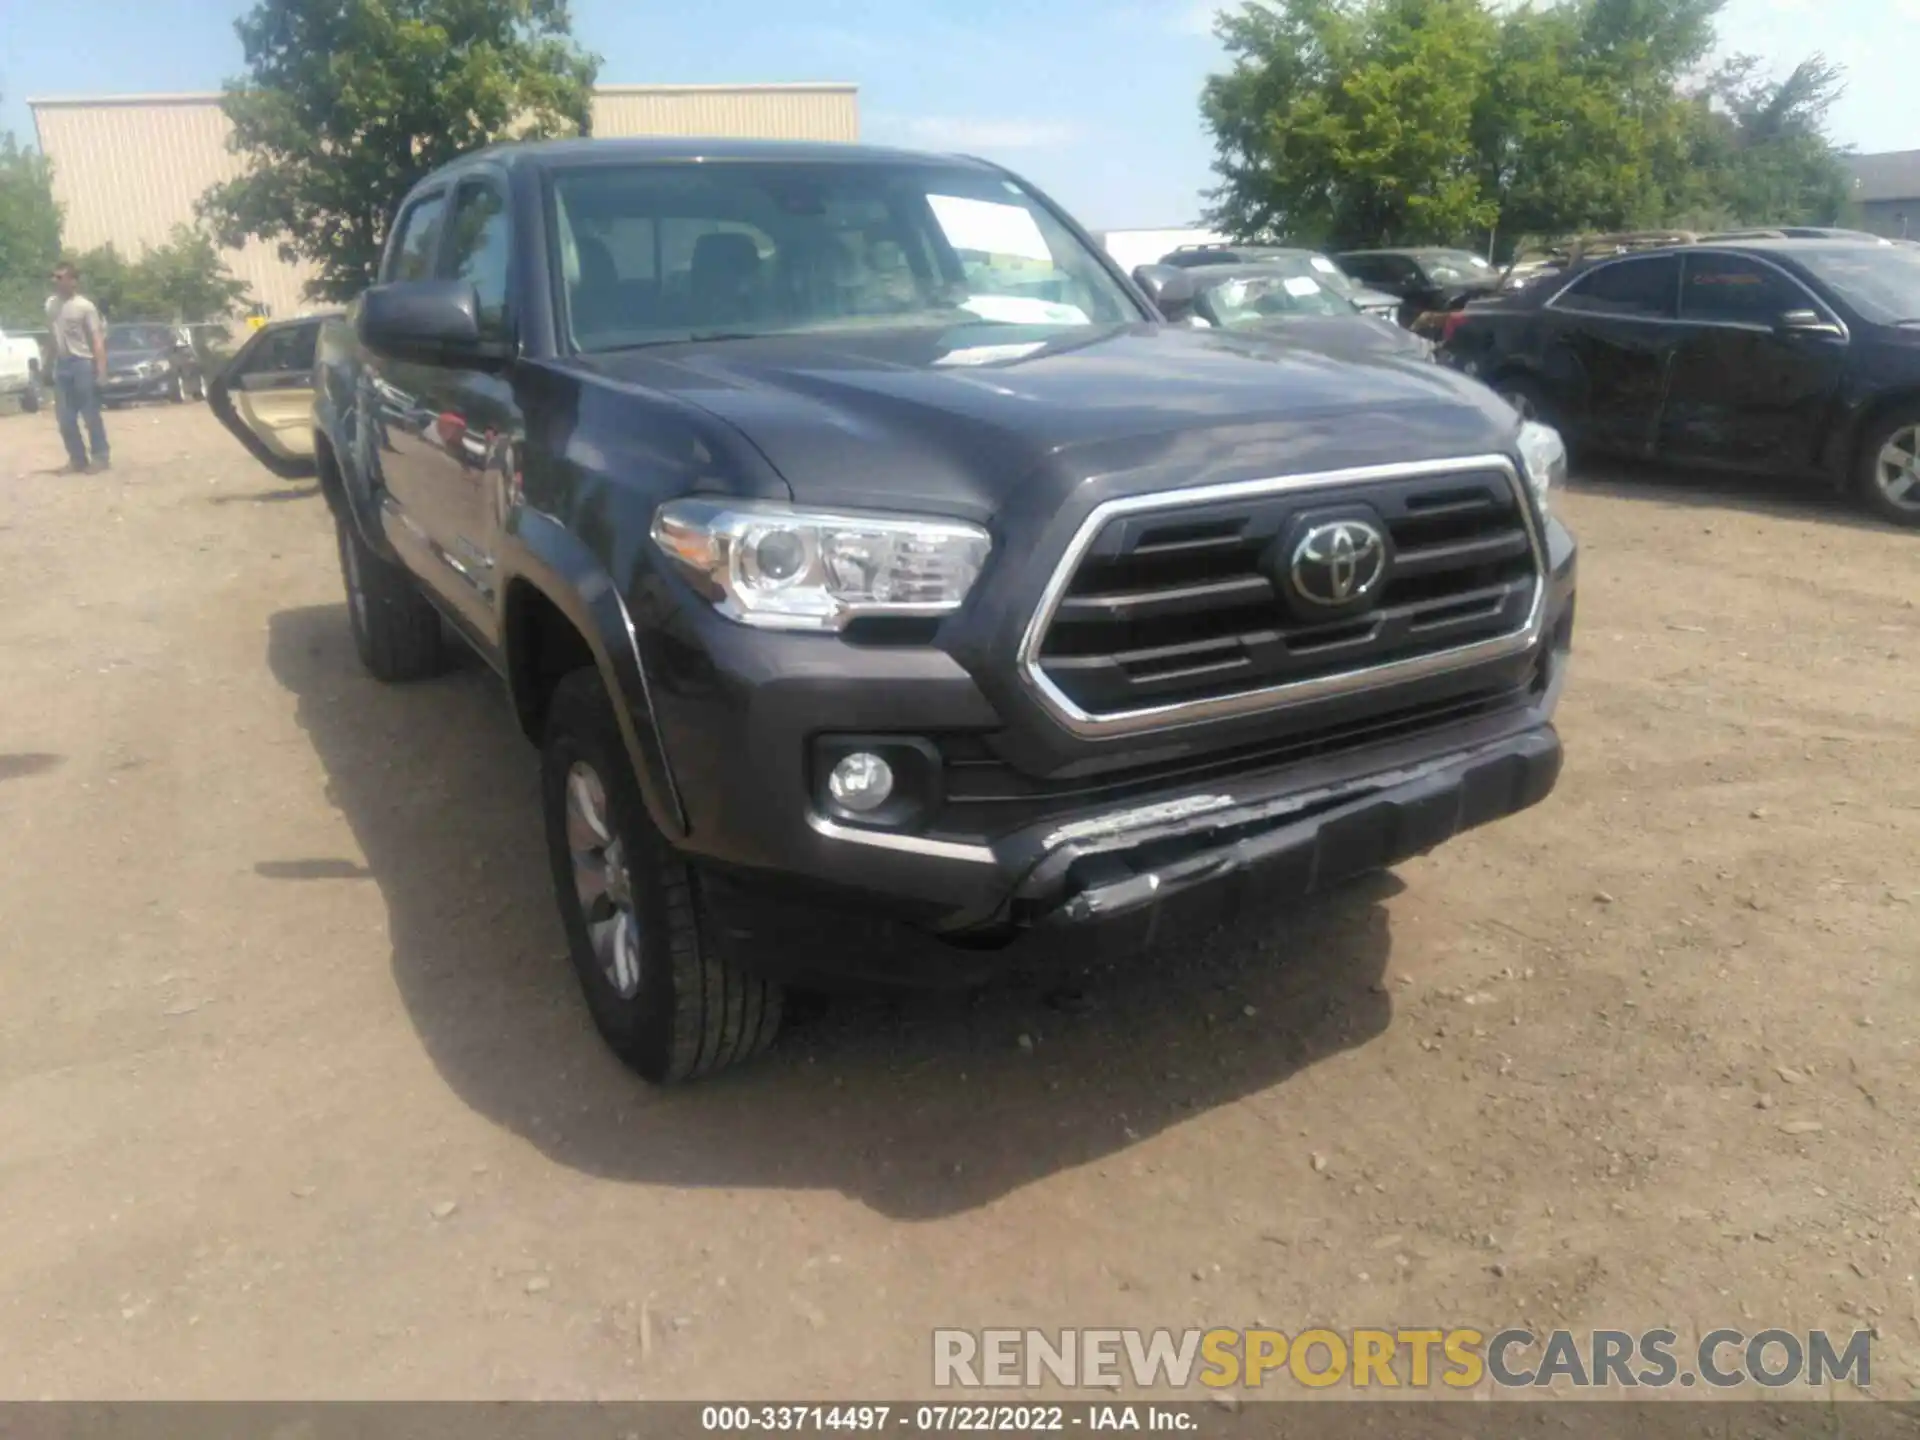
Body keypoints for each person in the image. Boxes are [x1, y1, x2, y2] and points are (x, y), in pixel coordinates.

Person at [45, 261, 110, 474]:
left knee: (90, 414)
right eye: (54, 276)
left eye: (60, 277)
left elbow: (96, 339)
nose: (55, 280)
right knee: (65, 418)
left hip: (82, 363)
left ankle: (100, 457)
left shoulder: (85, 306)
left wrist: (101, 370)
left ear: (73, 281)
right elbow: (52, 337)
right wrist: (47, 365)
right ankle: (77, 458)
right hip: (62, 364)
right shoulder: (51, 305)